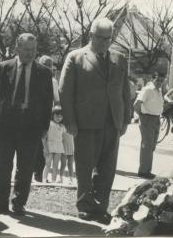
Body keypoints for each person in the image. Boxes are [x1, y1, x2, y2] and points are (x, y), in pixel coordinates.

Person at [59, 18, 131, 224]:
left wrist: (125, 119)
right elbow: (65, 92)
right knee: (85, 166)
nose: (103, 42)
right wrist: (70, 121)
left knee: (107, 168)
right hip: (86, 123)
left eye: (108, 38)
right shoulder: (75, 57)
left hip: (113, 123)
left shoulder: (120, 58)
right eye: (99, 38)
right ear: (91, 35)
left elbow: (125, 91)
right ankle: (84, 205)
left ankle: (100, 207)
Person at [0, 33, 53, 216]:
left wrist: (44, 128)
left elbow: (47, 102)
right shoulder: (2, 68)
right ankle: (0, 203)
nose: (30, 53)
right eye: (26, 49)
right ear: (17, 48)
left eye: (33, 50)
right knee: (2, 165)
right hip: (6, 126)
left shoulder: (44, 72)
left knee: (25, 167)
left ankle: (19, 203)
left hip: (30, 127)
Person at [33, 55, 59, 182]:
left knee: (36, 145)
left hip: (34, 116)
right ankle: (39, 173)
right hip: (47, 116)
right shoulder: (52, 81)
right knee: (45, 146)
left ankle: (36, 171)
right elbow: (57, 100)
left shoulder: (33, 76)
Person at [134, 72, 165, 179]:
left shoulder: (159, 90)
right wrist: (143, 116)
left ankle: (147, 170)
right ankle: (143, 171)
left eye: (162, 80)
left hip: (156, 119)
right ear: (153, 79)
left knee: (152, 146)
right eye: (158, 80)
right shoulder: (148, 89)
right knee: (147, 146)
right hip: (148, 119)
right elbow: (137, 104)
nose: (160, 82)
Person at [43, 106, 65, 183]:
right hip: (50, 145)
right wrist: (45, 148)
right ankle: (44, 179)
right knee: (48, 164)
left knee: (55, 165)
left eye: (61, 116)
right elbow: (43, 137)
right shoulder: (50, 124)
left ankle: (53, 180)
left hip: (59, 146)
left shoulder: (62, 126)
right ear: (52, 115)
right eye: (57, 115)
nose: (59, 118)